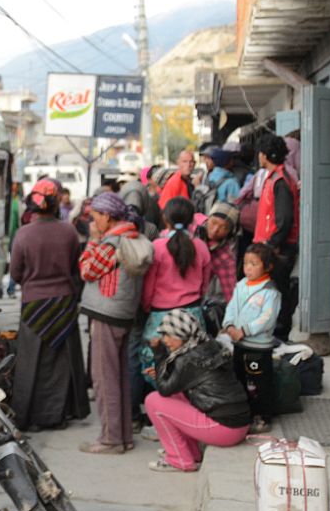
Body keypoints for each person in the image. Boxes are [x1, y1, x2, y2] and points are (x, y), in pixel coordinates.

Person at [9, 178, 89, 430]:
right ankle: (59, 415)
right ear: (55, 204)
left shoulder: (23, 234)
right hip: (64, 302)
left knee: (31, 361)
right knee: (62, 361)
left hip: (33, 304)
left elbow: (15, 273)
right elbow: (75, 267)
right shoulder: (68, 232)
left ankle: (30, 416)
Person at [77, 192, 145, 454]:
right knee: (119, 376)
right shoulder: (132, 236)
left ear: (107, 216)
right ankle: (123, 436)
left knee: (104, 379)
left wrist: (93, 240)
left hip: (107, 313)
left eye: (95, 216)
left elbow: (87, 270)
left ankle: (110, 439)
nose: (93, 222)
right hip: (123, 312)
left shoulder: (111, 242)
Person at [143, 310, 251, 472]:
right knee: (176, 394)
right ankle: (191, 452)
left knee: (153, 401)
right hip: (239, 425)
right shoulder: (209, 345)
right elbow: (178, 383)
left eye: (169, 335)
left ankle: (179, 460)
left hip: (224, 430)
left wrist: (159, 355)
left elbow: (164, 390)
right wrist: (162, 372)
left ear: (183, 335)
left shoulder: (187, 358)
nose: (165, 340)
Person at [139, 198, 211, 412]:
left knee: (156, 365)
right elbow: (205, 284)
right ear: (192, 219)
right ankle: (191, 410)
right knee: (193, 364)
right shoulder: (201, 246)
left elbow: (148, 286)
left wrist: (146, 307)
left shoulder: (157, 247)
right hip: (192, 314)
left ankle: (165, 410)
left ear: (165, 218)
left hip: (160, 318)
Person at [223, 243, 283, 434]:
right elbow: (231, 307)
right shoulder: (241, 285)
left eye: (254, 264)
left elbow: (267, 318)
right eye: (246, 263)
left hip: (258, 348)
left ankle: (263, 416)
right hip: (240, 344)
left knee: (259, 382)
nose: (248, 268)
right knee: (239, 378)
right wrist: (229, 325)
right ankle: (245, 412)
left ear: (267, 267)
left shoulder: (270, 292)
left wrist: (244, 330)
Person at [253, 133, 300, 342]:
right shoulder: (274, 177)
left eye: (260, 153)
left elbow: (285, 219)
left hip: (278, 248)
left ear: (265, 155)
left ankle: (279, 336)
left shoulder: (280, 181)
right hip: (272, 247)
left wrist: (272, 244)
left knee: (278, 294)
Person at [198, 202, 240, 334]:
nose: (215, 230)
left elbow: (230, 291)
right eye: (213, 222)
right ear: (208, 218)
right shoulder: (192, 228)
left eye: (223, 227)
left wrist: (234, 323)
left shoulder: (225, 255)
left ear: (230, 232)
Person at [5, 182, 23, 296]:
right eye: (12, 187)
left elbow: (20, 222)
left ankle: (11, 288)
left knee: (14, 263)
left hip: (14, 237)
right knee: (3, 262)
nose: (14, 189)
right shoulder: (4, 201)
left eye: (15, 188)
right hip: (3, 236)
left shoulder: (18, 202)